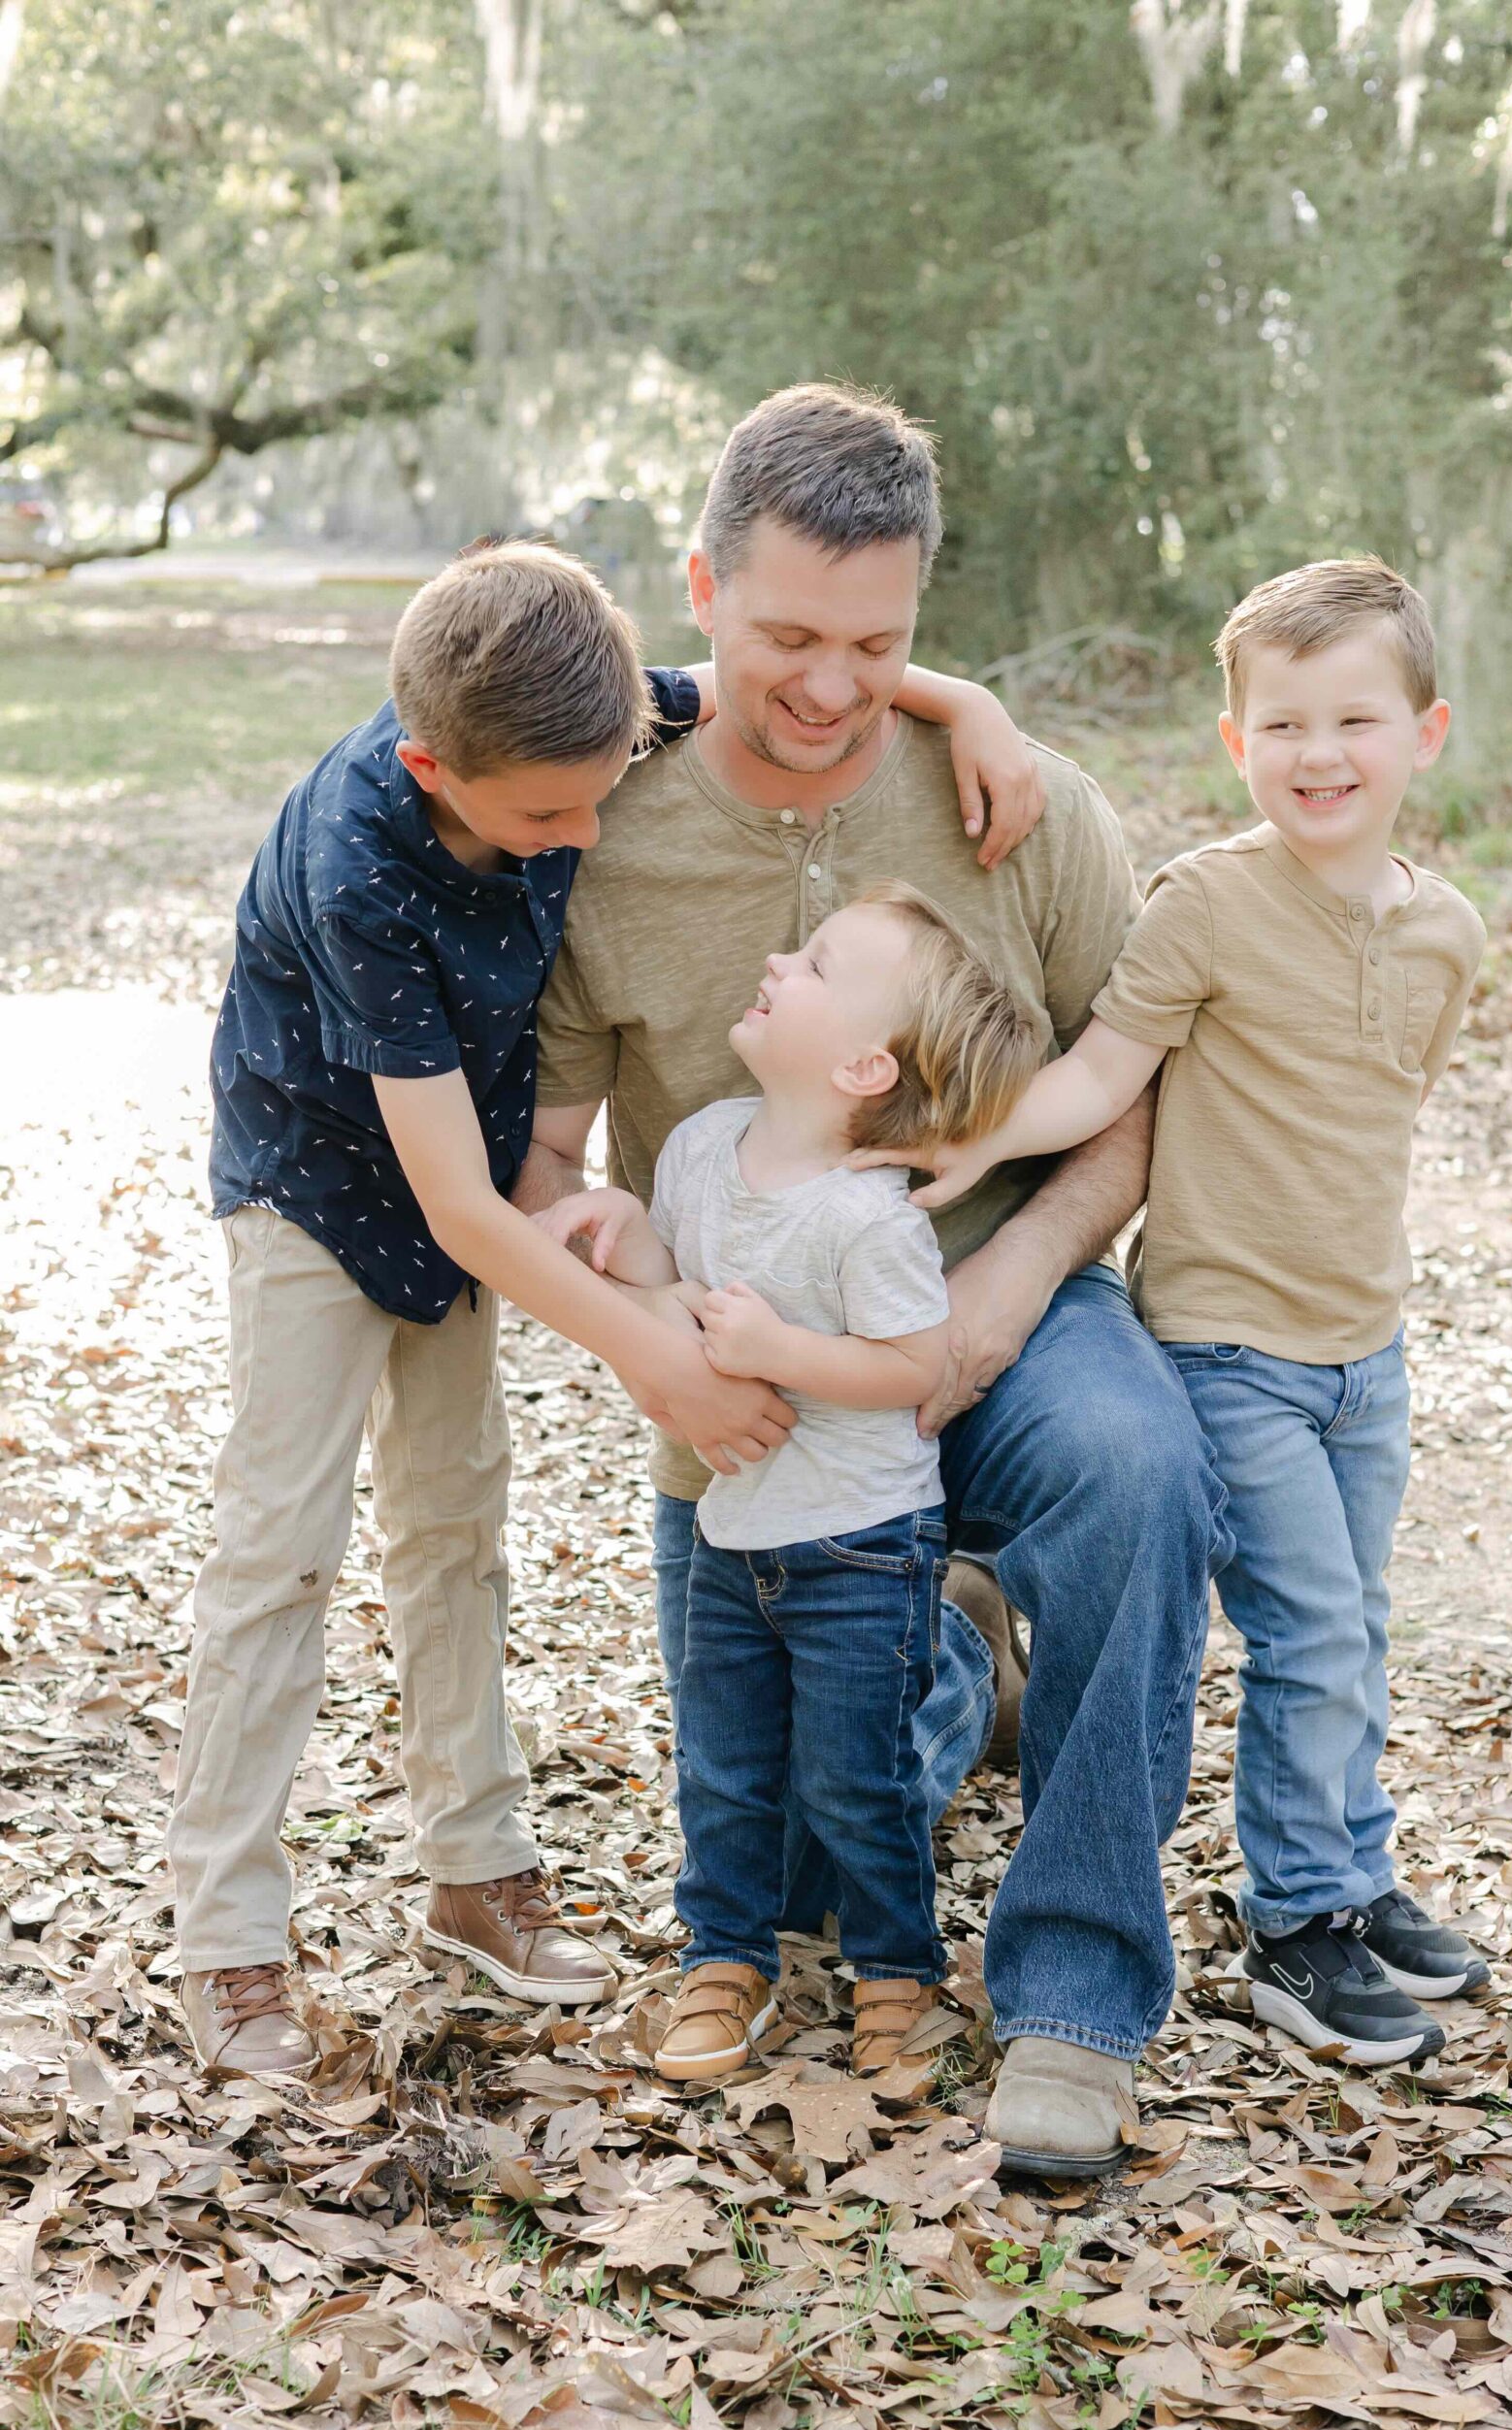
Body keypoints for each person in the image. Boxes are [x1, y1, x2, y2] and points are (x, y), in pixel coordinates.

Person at [171, 536, 1039, 2079]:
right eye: (547, 820)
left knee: (453, 1520)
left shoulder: (589, 715)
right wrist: (658, 1356)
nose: (586, 834)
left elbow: (785, 679)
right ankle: (229, 1943)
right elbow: (448, 1201)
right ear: (434, 765)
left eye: (604, 790)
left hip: (473, 1192)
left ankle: (476, 1873)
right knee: (280, 1548)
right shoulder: (359, 862)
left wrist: (967, 702)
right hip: (321, 1187)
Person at [519, 382, 1227, 2174]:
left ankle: (1073, 2000)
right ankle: (955, 1674)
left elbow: (1133, 1101)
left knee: (1142, 1473)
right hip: (750, 1367)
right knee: (816, 1870)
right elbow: (540, 1172)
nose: (832, 687)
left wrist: (1005, 1301)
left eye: (880, 643)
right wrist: (648, 1350)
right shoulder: (605, 827)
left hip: (1005, 1300)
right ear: (699, 588)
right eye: (784, 639)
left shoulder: (1019, 799)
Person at [876, 558, 1490, 2067]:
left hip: (1367, 1349)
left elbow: (1387, 1100)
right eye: (1279, 724)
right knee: (1310, 1626)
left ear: (1425, 734)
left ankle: (1349, 1864)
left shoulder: (1444, 931)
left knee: (1350, 1623)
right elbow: (1099, 1081)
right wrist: (976, 1142)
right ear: (1234, 744)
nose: (1316, 753)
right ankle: (1295, 1926)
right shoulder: (1204, 905)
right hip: (1228, 1347)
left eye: (1353, 718)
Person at [544, 887, 1040, 2082]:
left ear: (868, 1064)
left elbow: (915, 1367)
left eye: (815, 964)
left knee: (854, 1776)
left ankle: (894, 1975)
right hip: (733, 1534)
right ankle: (722, 1958)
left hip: (863, 1544)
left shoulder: (867, 1216)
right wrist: (628, 1225)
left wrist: (781, 1356)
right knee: (722, 1763)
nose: (777, 958)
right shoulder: (707, 1143)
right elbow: (681, 1273)